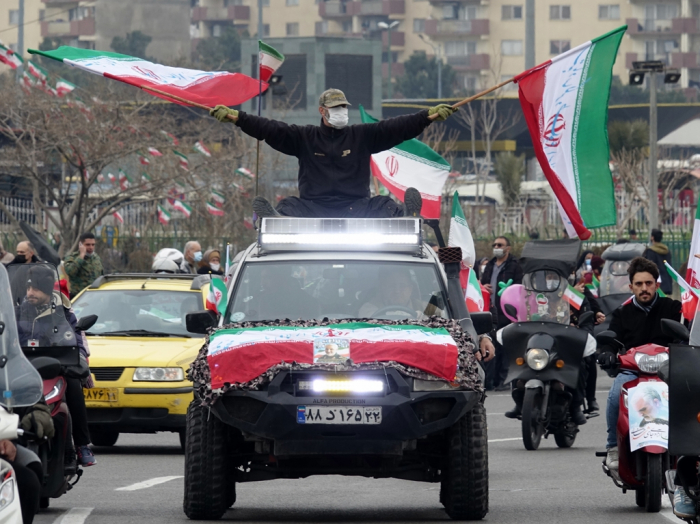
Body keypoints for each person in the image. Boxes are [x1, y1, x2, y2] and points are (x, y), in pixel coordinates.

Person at [209, 88, 457, 218]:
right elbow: (270, 129)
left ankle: (406, 219)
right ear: (322, 110)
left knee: (384, 205)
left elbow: (395, 128)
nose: (341, 111)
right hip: (313, 208)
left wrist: (427, 117)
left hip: (357, 208)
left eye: (343, 107)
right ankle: (273, 220)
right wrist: (237, 117)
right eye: (335, 107)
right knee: (287, 206)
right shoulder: (303, 137)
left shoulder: (362, 135)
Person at [596, 257, 681, 472]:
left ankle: (687, 445)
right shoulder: (621, 313)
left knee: (687, 397)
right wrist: (607, 353)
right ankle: (613, 446)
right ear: (631, 286)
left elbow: (685, 335)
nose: (644, 288)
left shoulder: (672, 308)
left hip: (667, 372)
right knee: (616, 395)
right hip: (632, 371)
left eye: (649, 283)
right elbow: (610, 340)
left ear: (657, 285)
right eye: (639, 284)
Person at [15, 265, 96, 467]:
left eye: (36, 289)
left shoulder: (63, 311)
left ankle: (80, 445)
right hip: (24, 364)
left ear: (48, 290)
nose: (30, 293)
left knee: (74, 386)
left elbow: (77, 338)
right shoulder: (17, 311)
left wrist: (80, 359)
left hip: (55, 363)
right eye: (28, 288)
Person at [480, 236, 523, 391]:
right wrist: (483, 286)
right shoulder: (490, 264)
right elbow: (482, 282)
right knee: (492, 346)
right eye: (495, 244)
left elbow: (520, 288)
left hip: (507, 311)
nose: (496, 247)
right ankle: (491, 380)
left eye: (500, 245)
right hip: (491, 311)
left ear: (508, 248)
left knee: (505, 347)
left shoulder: (515, 266)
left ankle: (503, 380)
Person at [359, 269, 423, 318]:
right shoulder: (369, 308)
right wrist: (413, 317)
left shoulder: (424, 307)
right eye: (391, 286)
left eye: (402, 286)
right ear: (383, 289)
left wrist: (423, 318)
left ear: (410, 289)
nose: (397, 291)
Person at [64, 232, 103, 298]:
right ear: (81, 244)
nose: (91, 247)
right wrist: (81, 256)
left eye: (93, 245)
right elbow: (70, 272)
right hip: (79, 297)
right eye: (88, 245)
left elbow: (101, 276)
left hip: (95, 297)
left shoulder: (96, 258)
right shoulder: (72, 257)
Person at [643, 228, 672, 295]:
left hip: (656, 284)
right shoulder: (667, 251)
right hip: (667, 283)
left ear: (652, 237)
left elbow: (649, 268)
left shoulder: (650, 252)